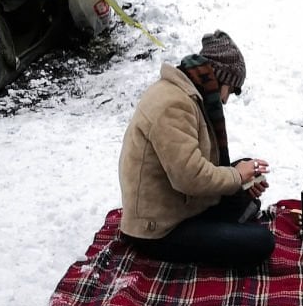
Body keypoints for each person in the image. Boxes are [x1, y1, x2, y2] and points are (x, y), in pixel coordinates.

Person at [117, 30, 275, 268]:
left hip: (179, 204)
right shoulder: (173, 104)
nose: (226, 100)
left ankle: (232, 218)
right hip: (157, 229)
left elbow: (200, 163)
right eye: (230, 90)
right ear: (219, 77)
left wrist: (243, 180)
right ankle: (229, 225)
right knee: (261, 242)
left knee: (245, 168)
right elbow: (189, 178)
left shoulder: (190, 95)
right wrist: (236, 176)